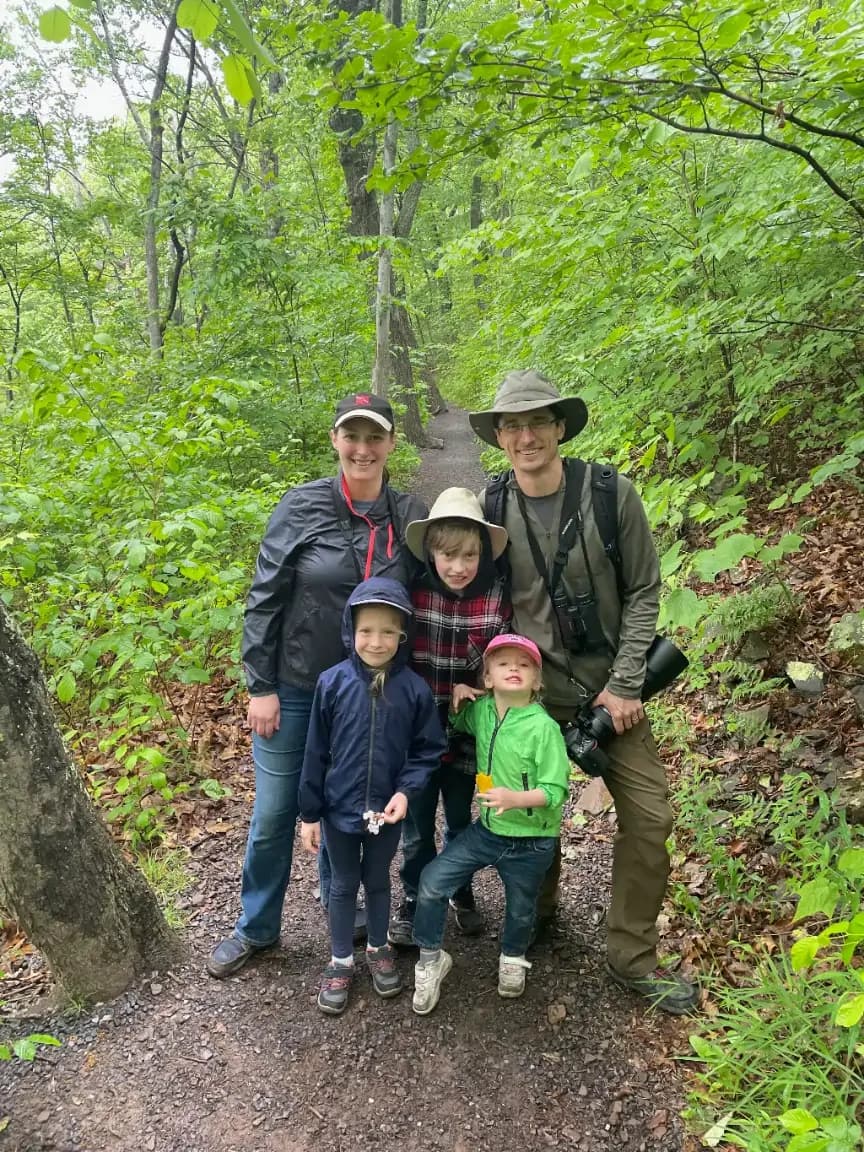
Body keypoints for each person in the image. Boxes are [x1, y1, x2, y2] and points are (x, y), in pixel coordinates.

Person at [468, 370, 699, 1014]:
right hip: (530, 695)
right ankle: (534, 916)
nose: (525, 436)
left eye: (538, 421)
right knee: (523, 812)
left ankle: (631, 954)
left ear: (560, 426)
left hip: (608, 693)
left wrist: (625, 686)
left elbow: (645, 590)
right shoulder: (492, 510)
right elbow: (473, 598)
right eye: (512, 425)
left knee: (650, 818)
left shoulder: (609, 494)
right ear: (499, 437)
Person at [207, 393, 427, 979]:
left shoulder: (407, 514)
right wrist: (261, 685)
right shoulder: (302, 506)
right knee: (279, 809)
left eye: (374, 437)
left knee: (357, 800)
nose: (362, 448)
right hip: (299, 683)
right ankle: (256, 926)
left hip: (372, 689)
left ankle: (346, 907)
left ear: (389, 445)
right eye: (351, 436)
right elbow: (265, 596)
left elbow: (437, 590)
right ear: (335, 440)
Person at [299, 578, 445, 1015]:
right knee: (343, 883)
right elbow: (315, 752)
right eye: (366, 630)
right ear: (350, 630)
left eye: (387, 631)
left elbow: (427, 749)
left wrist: (406, 791)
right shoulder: (331, 683)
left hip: (387, 810)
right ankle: (340, 957)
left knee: (379, 880)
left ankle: (378, 946)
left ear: (403, 635)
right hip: (338, 810)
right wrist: (309, 813)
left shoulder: (414, 689)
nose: (376, 641)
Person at [411, 634, 569, 1014]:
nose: (514, 668)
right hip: (487, 831)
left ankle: (513, 958)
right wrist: (458, 697)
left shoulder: (543, 727)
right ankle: (431, 959)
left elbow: (556, 789)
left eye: (524, 664)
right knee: (432, 882)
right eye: (503, 663)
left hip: (532, 839)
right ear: (488, 678)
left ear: (537, 680)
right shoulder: (483, 712)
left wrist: (516, 799)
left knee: (520, 908)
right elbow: (459, 718)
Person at [387, 488, 511, 948]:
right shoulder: (413, 596)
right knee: (417, 828)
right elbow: (396, 663)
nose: (458, 566)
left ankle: (461, 889)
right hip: (418, 739)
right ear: (431, 553)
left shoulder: (498, 600)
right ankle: (414, 897)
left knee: (461, 820)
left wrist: (479, 690)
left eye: (469, 556)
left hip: (468, 740)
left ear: (483, 554)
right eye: (448, 555)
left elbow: (506, 667)